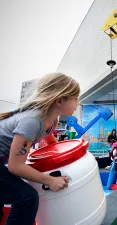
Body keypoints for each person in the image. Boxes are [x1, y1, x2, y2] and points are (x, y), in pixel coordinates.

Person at [0, 72, 80, 225]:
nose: (78, 102)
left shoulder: (51, 121)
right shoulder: (32, 121)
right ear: (59, 101)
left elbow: (52, 146)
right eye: (75, 97)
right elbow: (15, 166)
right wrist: (49, 180)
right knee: (27, 198)